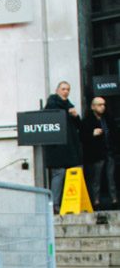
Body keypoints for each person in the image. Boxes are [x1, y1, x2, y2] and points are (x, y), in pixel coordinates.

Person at [43, 81, 82, 213]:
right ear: (57, 90)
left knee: (74, 172)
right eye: (63, 89)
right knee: (59, 174)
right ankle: (54, 204)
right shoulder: (52, 104)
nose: (66, 92)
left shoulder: (69, 107)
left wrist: (76, 116)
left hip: (69, 147)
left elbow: (78, 126)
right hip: (57, 148)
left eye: (68, 89)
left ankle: (73, 203)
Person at [81, 96, 118, 210]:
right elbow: (82, 137)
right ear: (93, 107)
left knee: (111, 178)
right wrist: (92, 134)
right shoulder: (87, 121)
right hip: (96, 155)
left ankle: (114, 200)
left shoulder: (108, 119)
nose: (103, 107)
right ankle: (95, 201)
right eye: (99, 105)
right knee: (96, 179)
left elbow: (115, 134)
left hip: (109, 152)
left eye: (104, 105)